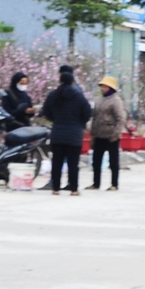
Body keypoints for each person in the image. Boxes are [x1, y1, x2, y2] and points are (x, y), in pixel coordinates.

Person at [37, 65, 91, 195]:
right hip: (74, 134)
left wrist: (55, 120)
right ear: (72, 81)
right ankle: (73, 189)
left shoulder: (53, 95)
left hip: (58, 133)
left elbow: (46, 111)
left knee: (57, 162)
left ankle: (55, 188)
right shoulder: (79, 96)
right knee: (73, 163)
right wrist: (80, 122)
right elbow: (87, 112)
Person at [88, 75, 126, 190]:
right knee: (96, 161)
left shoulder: (116, 101)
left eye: (105, 86)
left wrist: (116, 133)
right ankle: (96, 183)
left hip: (111, 135)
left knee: (113, 161)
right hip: (99, 134)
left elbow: (121, 118)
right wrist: (92, 132)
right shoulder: (99, 100)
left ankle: (114, 184)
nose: (103, 88)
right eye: (102, 86)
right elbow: (94, 117)